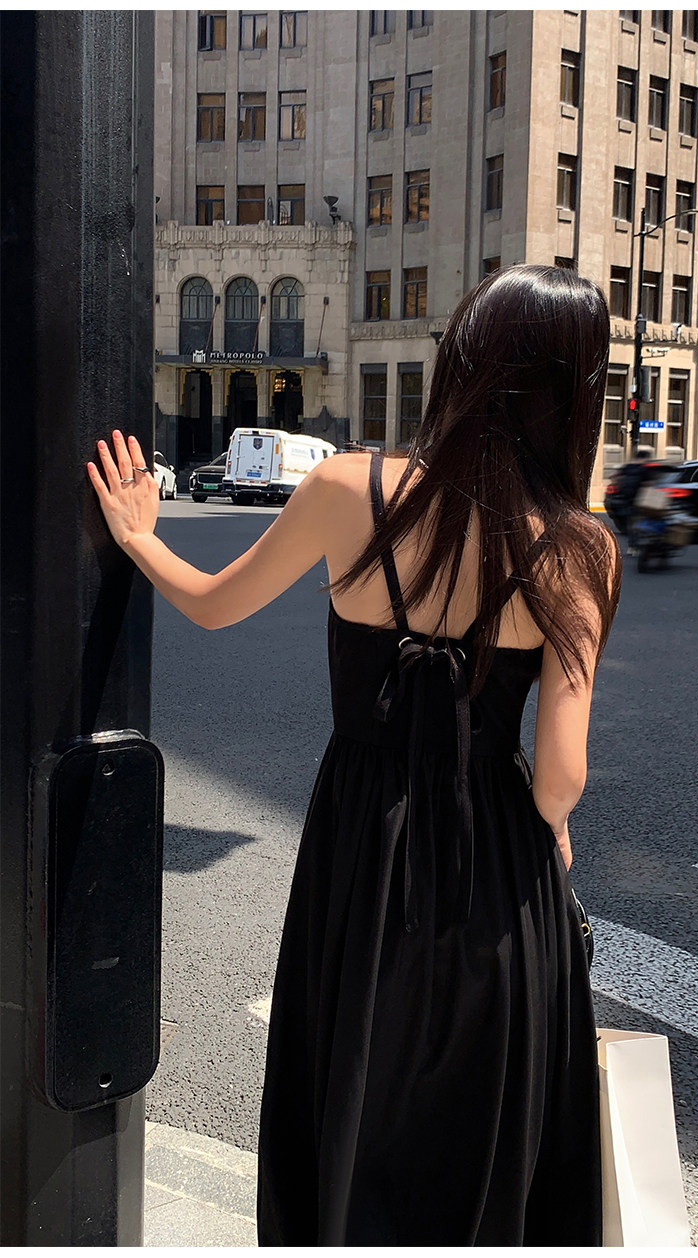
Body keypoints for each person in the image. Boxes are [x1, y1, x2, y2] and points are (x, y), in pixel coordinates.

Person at [88, 264, 621, 1246]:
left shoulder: (347, 486)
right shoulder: (576, 549)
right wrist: (552, 828)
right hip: (498, 864)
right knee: (485, 1123)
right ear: (571, 394)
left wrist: (139, 536)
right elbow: (561, 776)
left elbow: (212, 604)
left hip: (362, 848)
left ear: (462, 360)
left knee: (354, 1082)